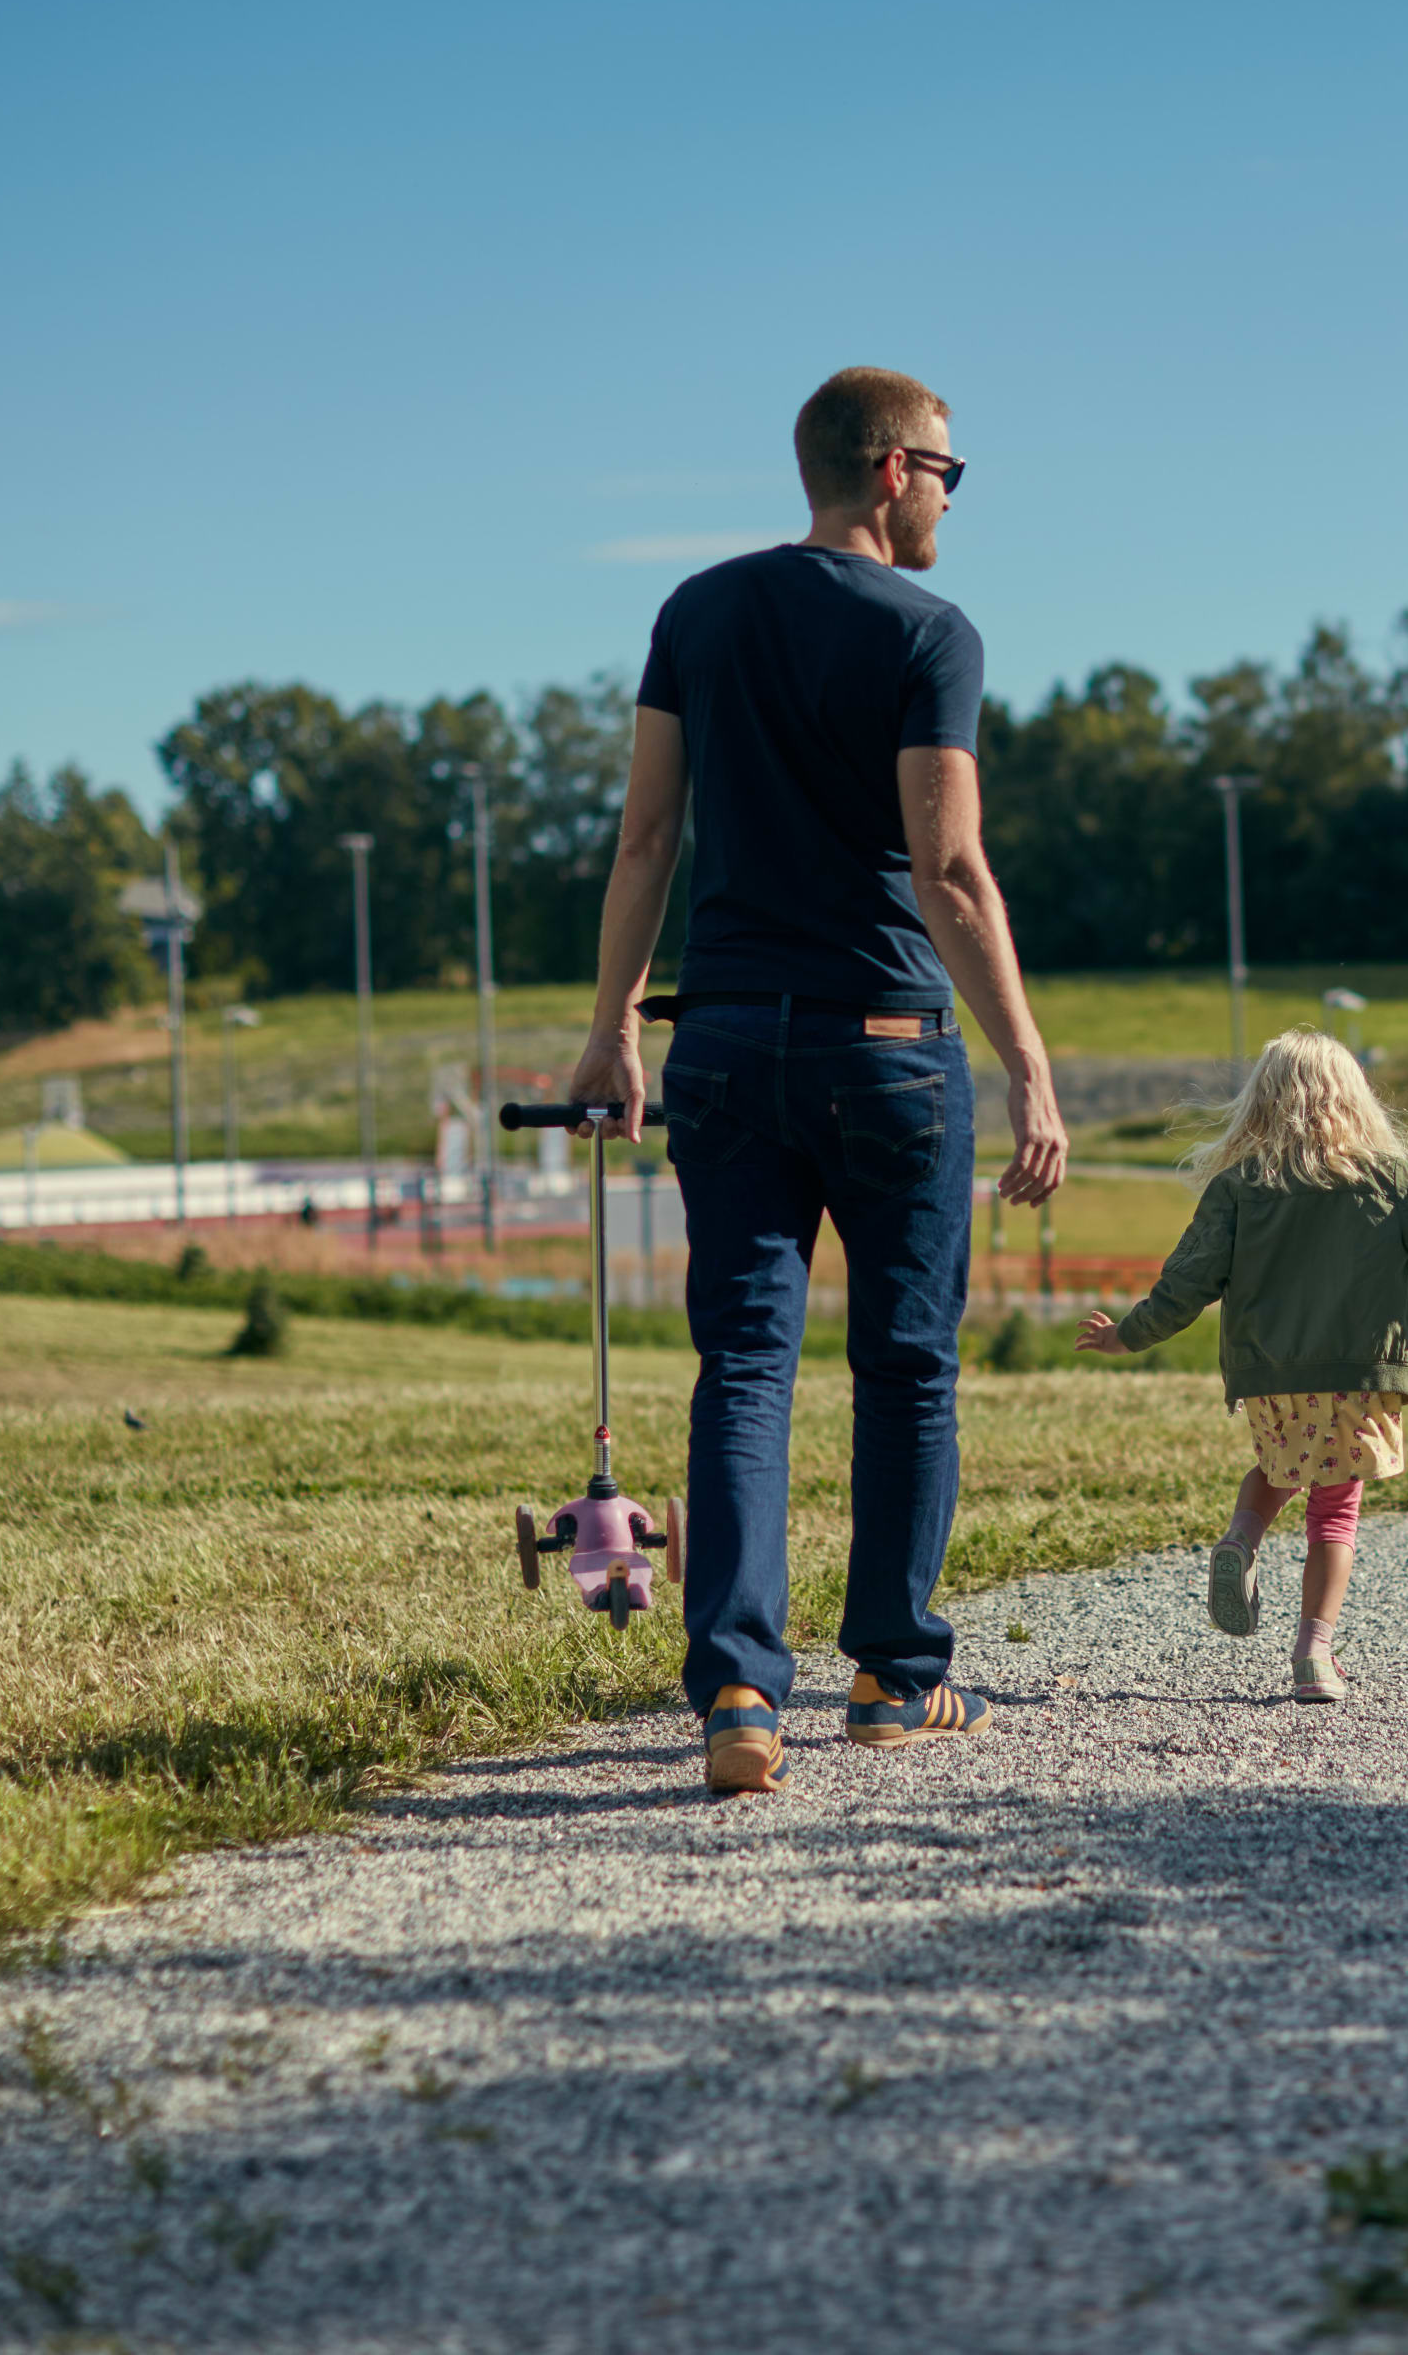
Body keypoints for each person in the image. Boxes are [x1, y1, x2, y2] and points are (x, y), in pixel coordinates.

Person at [563, 366, 1068, 1798]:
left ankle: (736, 1686)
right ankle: (898, 1683)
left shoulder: (697, 613)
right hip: (888, 1050)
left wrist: (611, 1029)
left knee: (745, 1367)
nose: (953, 504)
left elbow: (647, 841)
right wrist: (1030, 1063)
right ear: (897, 471)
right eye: (951, 479)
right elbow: (950, 868)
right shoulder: (931, 632)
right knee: (905, 1369)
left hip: (721, 1041)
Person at [1075, 1029, 1408, 1703]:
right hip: (1359, 1374)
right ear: (1354, 1102)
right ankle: (1314, 1656)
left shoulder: (1240, 1187)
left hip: (1272, 1377)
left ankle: (1242, 1537)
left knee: (1281, 1465)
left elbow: (1186, 1283)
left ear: (1262, 1104)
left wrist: (1128, 1335)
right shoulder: (1386, 1180)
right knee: (1335, 1509)